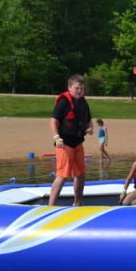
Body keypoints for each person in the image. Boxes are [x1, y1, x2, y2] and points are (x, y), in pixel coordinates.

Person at [49, 74, 93, 206]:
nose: (79, 91)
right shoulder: (64, 103)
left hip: (78, 143)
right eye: (77, 88)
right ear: (69, 88)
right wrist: (57, 138)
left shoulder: (83, 103)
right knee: (62, 175)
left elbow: (89, 120)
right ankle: (51, 205)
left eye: (81, 89)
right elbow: (53, 122)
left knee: (80, 174)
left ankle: (78, 202)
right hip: (64, 144)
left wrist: (90, 128)